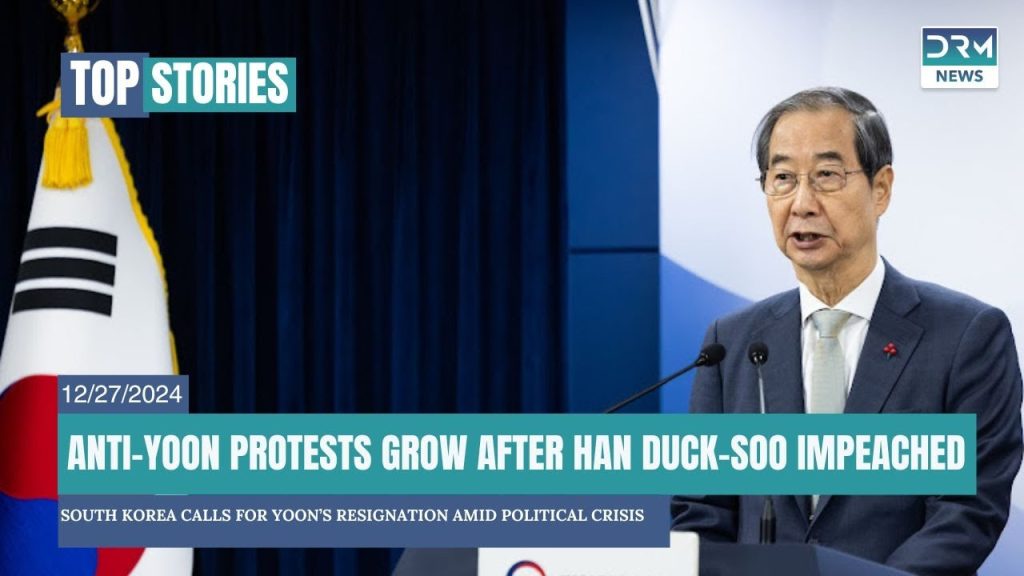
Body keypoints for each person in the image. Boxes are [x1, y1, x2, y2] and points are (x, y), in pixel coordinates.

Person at [670, 87, 1023, 575]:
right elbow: (700, 513)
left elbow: (966, 514)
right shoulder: (729, 344)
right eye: (782, 178)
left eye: (827, 176)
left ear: (881, 189)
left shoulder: (967, 336)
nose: (802, 203)